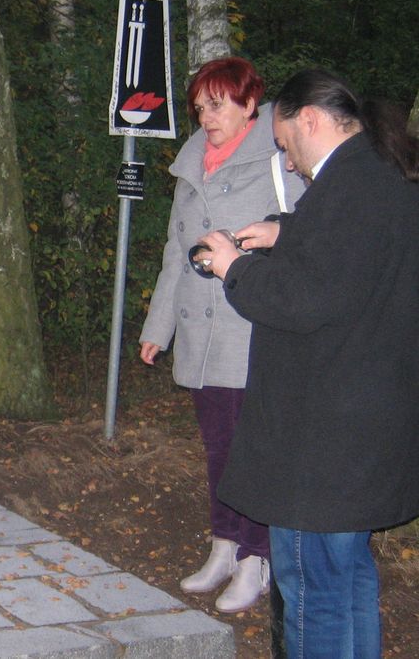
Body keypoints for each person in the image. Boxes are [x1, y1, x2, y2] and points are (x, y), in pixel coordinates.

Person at [197, 69, 419, 657]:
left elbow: (307, 300)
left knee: (309, 586)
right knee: (348, 578)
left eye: (284, 140)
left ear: (310, 120)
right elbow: (347, 262)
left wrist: (232, 268)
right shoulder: (381, 177)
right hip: (369, 424)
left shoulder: (347, 189)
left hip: (323, 438)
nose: (287, 159)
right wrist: (282, 231)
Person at [139, 56, 305, 613]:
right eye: (200, 107)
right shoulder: (190, 168)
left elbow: (308, 235)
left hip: (250, 327)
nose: (206, 117)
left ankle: (256, 559)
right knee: (217, 449)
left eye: (217, 104)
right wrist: (158, 327)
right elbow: (173, 254)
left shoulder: (280, 163)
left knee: (248, 448)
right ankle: (224, 546)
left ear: (249, 104)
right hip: (196, 329)